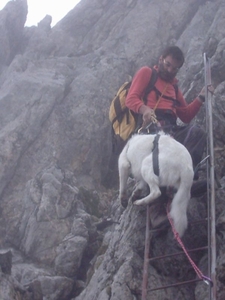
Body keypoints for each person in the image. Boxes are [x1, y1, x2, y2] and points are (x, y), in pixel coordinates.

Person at [125, 45, 213, 226]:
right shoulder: (146, 73)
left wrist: (200, 98)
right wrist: (145, 109)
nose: (170, 70)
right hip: (149, 130)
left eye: (175, 68)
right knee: (163, 148)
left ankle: (184, 182)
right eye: (168, 65)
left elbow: (185, 115)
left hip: (170, 129)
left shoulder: (174, 87)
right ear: (161, 59)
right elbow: (131, 98)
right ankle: (156, 211)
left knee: (196, 133)